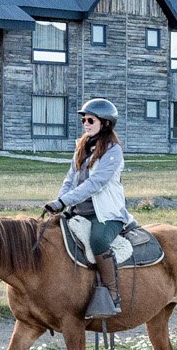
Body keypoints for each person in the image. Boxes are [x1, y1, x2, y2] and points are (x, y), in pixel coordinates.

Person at [45, 97, 127, 319]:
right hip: (79, 212)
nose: (85, 123)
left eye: (90, 119)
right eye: (84, 120)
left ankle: (112, 294)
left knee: (98, 240)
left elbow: (95, 183)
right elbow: (70, 180)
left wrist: (64, 202)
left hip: (106, 216)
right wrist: (58, 202)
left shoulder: (113, 151)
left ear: (106, 123)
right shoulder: (82, 147)